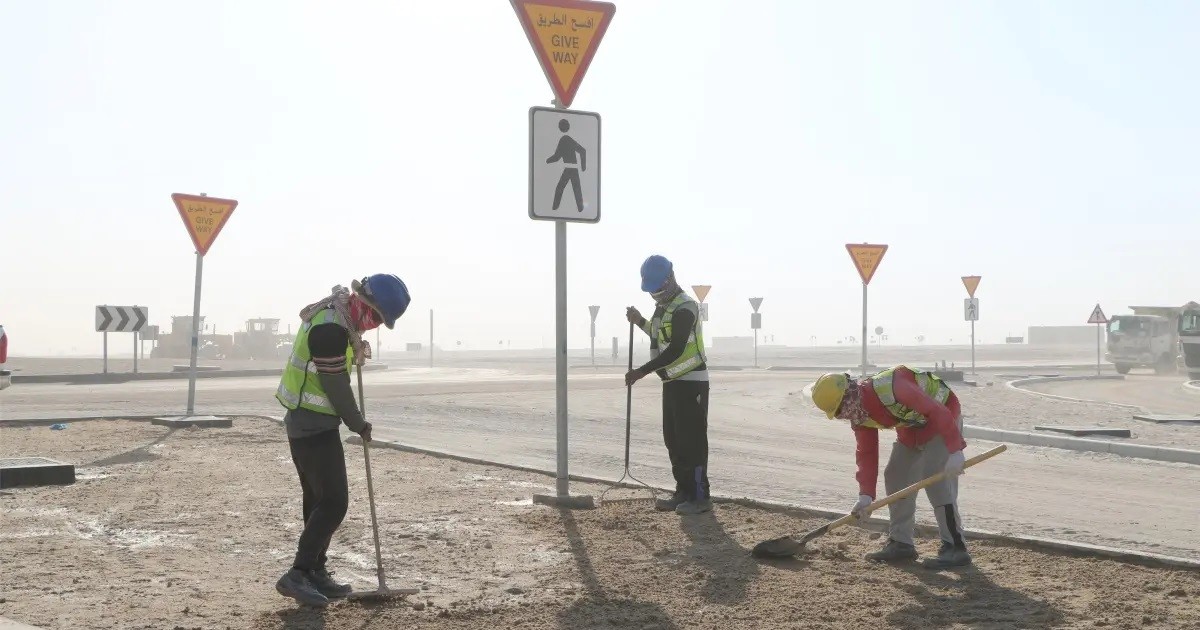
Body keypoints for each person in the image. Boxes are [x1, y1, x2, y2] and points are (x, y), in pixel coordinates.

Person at [273, 274, 411, 607]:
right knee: (335, 502)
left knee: (318, 501)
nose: (374, 325)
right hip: (311, 425)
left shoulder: (339, 320)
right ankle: (298, 573)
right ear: (362, 301)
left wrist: (355, 347)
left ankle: (316, 571)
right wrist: (358, 424)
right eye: (375, 316)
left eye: (380, 322)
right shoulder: (331, 330)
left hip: (309, 421)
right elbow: (334, 386)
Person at [809, 365, 971, 569]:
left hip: (943, 417)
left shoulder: (895, 387)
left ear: (848, 395)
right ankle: (901, 543)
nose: (844, 415)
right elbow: (867, 452)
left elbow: (938, 411)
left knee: (936, 478)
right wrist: (865, 495)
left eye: (841, 409)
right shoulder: (859, 413)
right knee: (896, 475)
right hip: (913, 426)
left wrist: (955, 450)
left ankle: (955, 547)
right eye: (839, 413)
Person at [625, 255, 712, 515]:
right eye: (651, 289)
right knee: (673, 440)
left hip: (691, 383)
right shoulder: (664, 307)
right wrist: (640, 320)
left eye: (658, 288)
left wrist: (642, 371)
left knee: (692, 442)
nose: (655, 293)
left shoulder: (685, 307)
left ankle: (699, 497)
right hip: (672, 382)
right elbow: (658, 335)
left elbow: (675, 349)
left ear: (669, 279)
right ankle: (683, 492)